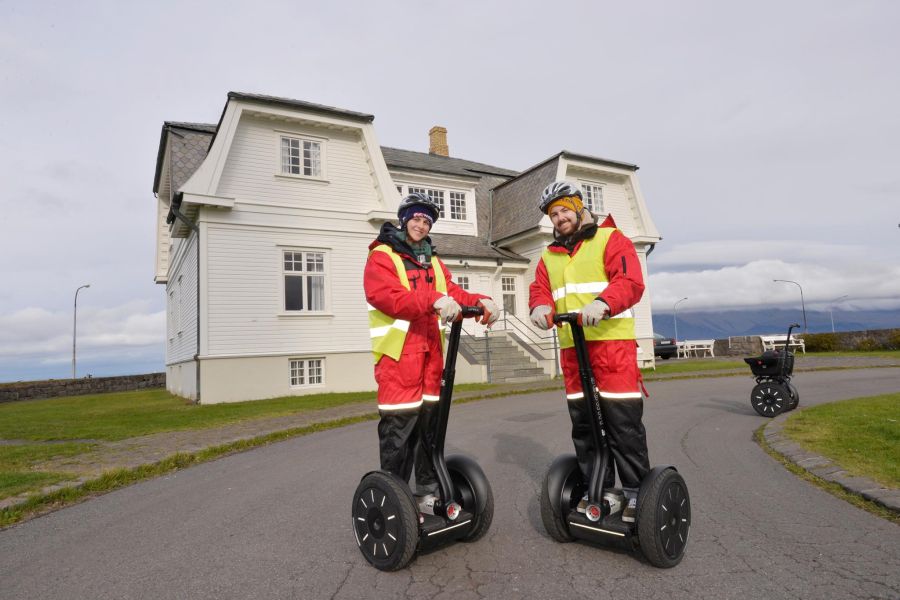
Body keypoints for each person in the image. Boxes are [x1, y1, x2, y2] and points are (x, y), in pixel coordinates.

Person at [364, 192, 499, 515]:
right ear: (404, 218)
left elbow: (452, 293)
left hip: (430, 360)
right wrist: (432, 300)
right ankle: (395, 501)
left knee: (430, 431)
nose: (421, 225)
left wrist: (481, 301)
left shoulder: (432, 260)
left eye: (426, 221)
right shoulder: (383, 256)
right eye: (416, 218)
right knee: (399, 433)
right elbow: (388, 297)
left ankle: (426, 493)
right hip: (398, 359)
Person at [527, 181, 650, 522]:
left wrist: (603, 302)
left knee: (622, 425)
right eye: (554, 214)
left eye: (565, 209)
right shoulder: (549, 256)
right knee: (585, 427)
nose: (560, 217)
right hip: (572, 351)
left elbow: (630, 281)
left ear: (580, 206)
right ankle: (603, 491)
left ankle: (638, 492)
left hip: (611, 348)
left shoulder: (611, 239)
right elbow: (539, 288)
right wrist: (539, 305)